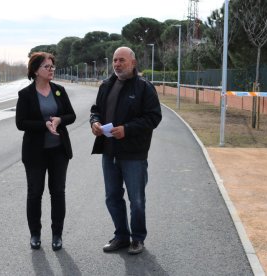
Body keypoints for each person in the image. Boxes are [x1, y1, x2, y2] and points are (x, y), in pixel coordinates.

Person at [90, 46, 162, 255]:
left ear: (133, 63)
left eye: (122, 60)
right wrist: (94, 122)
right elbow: (96, 111)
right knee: (112, 197)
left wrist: (127, 129)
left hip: (134, 155)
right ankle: (121, 236)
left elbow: (153, 117)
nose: (117, 64)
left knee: (136, 199)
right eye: (114, 60)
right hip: (109, 152)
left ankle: (137, 238)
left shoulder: (144, 88)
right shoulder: (106, 86)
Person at [16, 52, 76, 251]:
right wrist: (44, 124)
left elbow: (71, 115)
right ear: (35, 71)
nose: (51, 70)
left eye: (52, 66)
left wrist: (59, 120)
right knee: (35, 193)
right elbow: (21, 123)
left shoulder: (59, 90)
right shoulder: (25, 95)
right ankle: (35, 234)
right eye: (47, 67)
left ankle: (57, 235)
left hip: (59, 151)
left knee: (58, 192)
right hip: (35, 153)